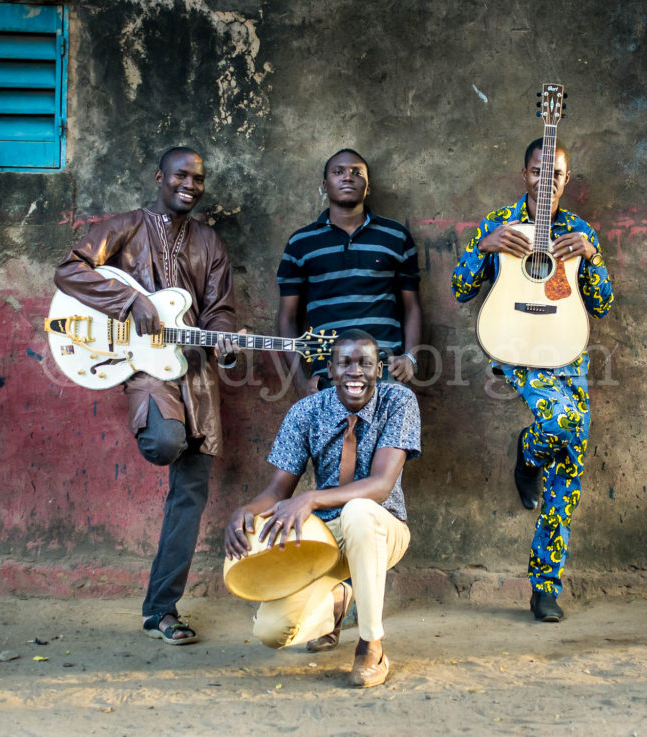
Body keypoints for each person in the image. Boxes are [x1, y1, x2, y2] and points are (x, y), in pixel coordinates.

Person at [55, 146, 239, 644]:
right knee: (163, 443)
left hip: (197, 376)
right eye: (181, 176)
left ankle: (161, 611)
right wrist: (130, 299)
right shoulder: (125, 227)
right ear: (160, 176)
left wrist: (223, 341)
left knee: (191, 495)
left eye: (199, 179)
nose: (191, 186)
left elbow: (218, 308)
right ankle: (162, 427)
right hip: (146, 369)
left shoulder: (210, 242)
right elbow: (69, 270)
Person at [451, 138, 614, 622]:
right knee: (561, 421)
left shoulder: (580, 231)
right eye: (539, 172)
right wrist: (484, 246)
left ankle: (545, 588)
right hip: (517, 347)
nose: (548, 181)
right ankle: (527, 452)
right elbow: (462, 289)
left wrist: (593, 258)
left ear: (566, 181)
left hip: (566, 352)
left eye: (557, 174)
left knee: (569, 460)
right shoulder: (499, 222)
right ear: (526, 175)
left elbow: (601, 304)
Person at [224, 329, 420, 687]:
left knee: (358, 511)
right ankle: (337, 602)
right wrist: (247, 510)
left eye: (365, 364)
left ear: (379, 369)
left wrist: (311, 498)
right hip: (324, 538)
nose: (355, 372)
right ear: (330, 370)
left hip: (381, 528)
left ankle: (371, 644)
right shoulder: (305, 412)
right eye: (345, 363)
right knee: (271, 632)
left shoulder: (399, 401)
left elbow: (381, 485)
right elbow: (277, 490)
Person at [276, 149, 423, 397]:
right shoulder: (301, 243)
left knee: (390, 438)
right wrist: (298, 382)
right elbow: (287, 318)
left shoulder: (396, 236)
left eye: (357, 172)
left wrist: (410, 357)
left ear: (368, 187)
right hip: (328, 373)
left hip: (385, 371)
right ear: (325, 185)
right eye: (338, 172)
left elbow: (413, 307)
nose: (347, 177)